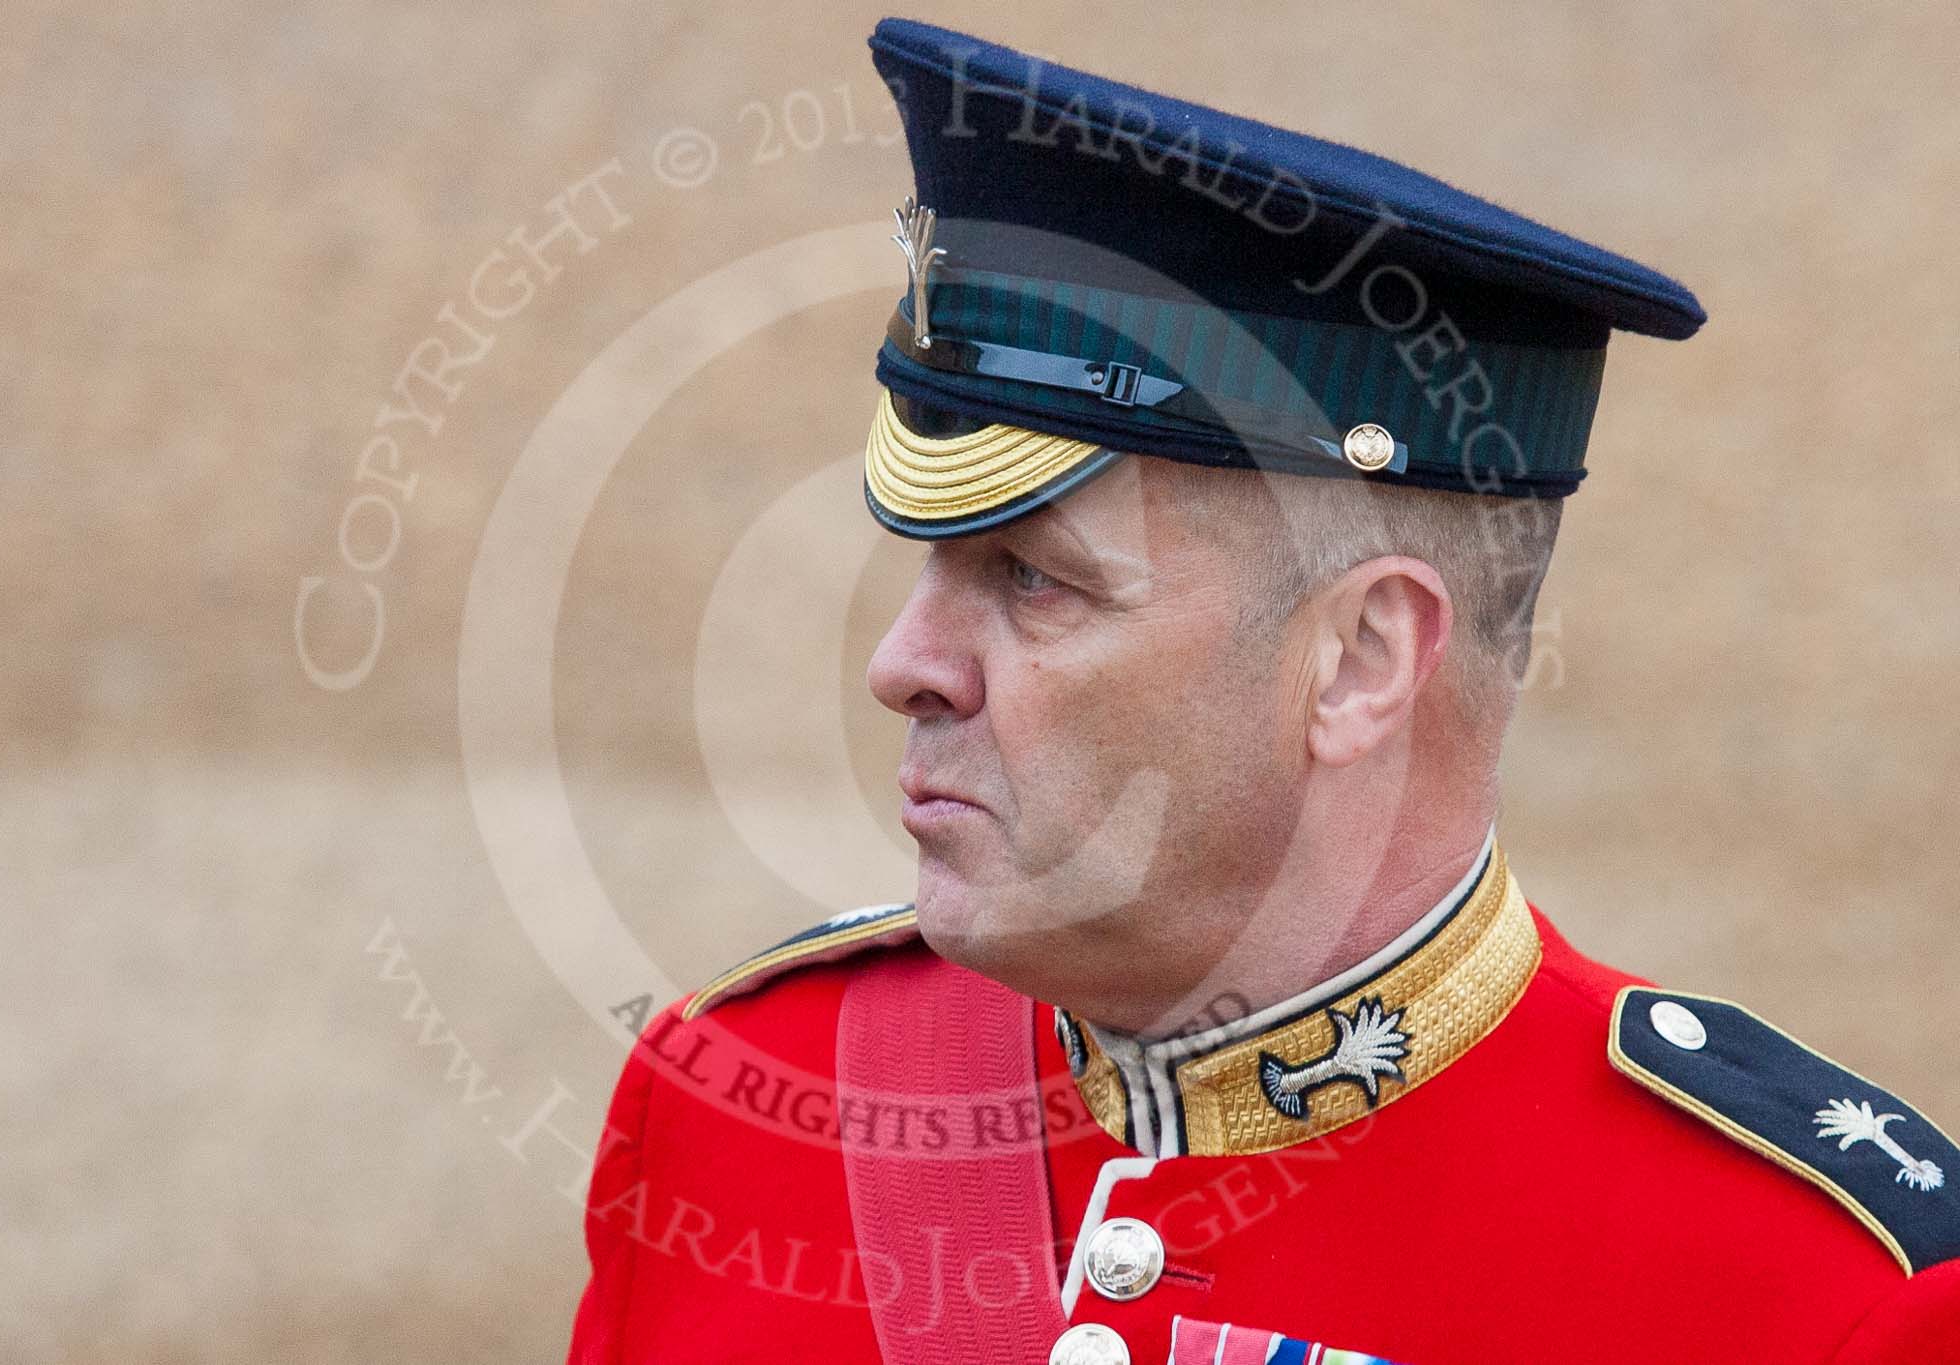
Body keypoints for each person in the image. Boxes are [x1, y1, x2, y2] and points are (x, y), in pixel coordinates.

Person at [565, 18, 1959, 1364]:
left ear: (1358, 662)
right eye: (932, 567)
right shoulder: (742, 1110)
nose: (902, 666)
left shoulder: (1812, 1297)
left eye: (1035, 579)